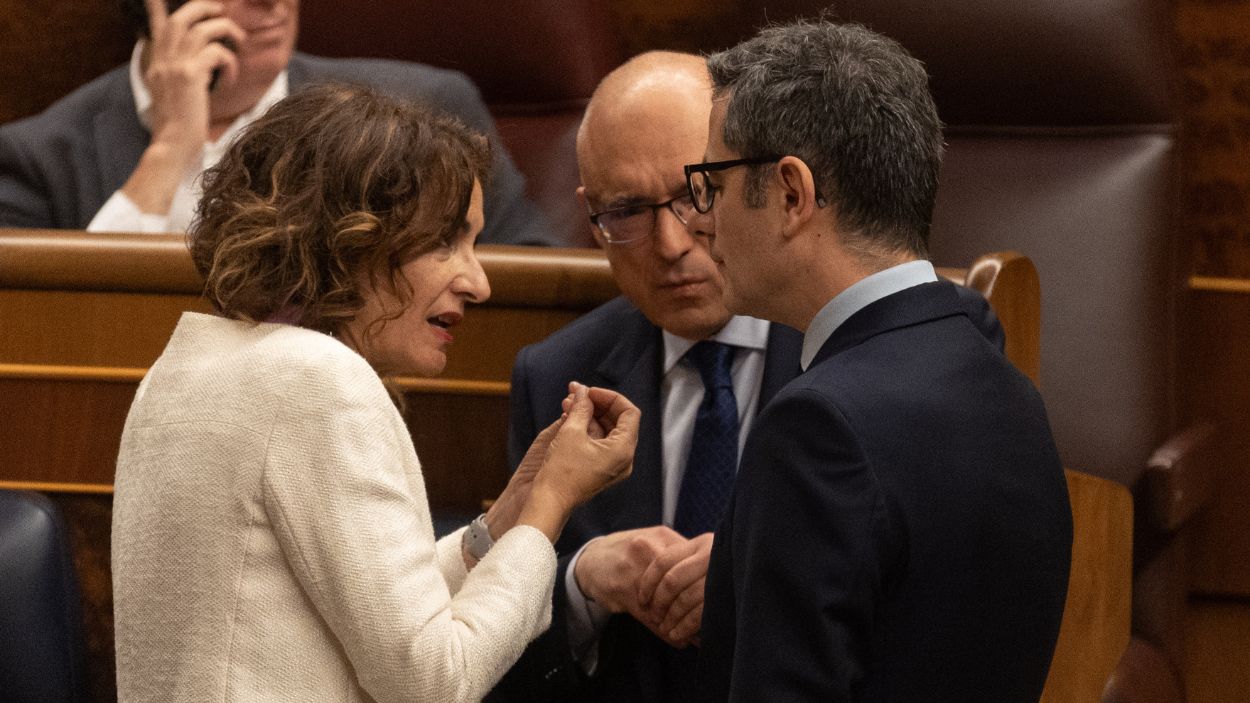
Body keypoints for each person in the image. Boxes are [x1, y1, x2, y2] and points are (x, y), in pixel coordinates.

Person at [492, 52, 1007, 702]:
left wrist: (754, 575)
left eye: (694, 193)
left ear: (759, 185)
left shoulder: (910, 348)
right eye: (626, 211)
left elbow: (954, 598)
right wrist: (585, 583)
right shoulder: (556, 373)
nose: (672, 242)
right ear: (590, 214)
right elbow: (506, 656)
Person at [110, 83, 638, 703]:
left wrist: (504, 521)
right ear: (349, 239)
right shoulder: (318, 382)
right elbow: (438, 679)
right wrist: (550, 508)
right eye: (446, 242)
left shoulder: (189, 368)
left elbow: (363, 615)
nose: (478, 282)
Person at [689, 20, 1073, 702]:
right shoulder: (1010, 388)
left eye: (710, 183)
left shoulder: (818, 427)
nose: (700, 219)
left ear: (790, 194)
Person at [0, 0, 557, 245]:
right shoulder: (36, 160)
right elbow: (61, 338)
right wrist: (170, 148)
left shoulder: (426, 107)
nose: (274, 3)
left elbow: (530, 286)